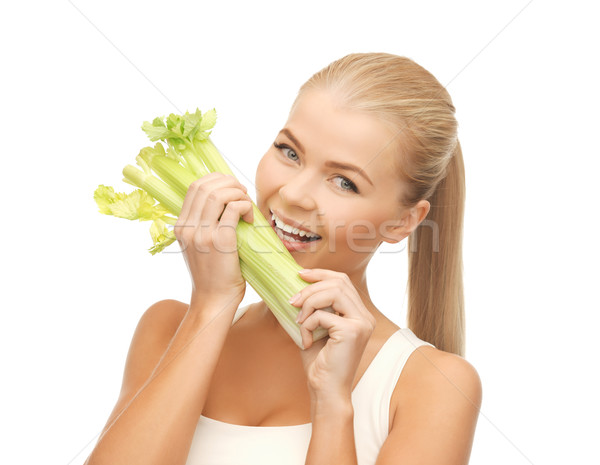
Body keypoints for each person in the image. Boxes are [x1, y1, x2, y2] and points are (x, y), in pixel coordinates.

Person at [85, 52, 482, 465]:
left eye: (344, 182)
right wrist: (211, 304)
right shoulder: (167, 329)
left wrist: (333, 406)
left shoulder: (433, 387)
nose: (292, 193)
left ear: (403, 222)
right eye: (289, 152)